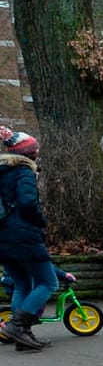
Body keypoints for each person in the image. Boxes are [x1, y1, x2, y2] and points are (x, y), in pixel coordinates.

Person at [0, 129, 54, 351]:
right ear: (30, 153)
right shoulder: (24, 171)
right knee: (48, 282)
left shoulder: (3, 172)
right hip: (23, 236)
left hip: (3, 238)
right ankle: (18, 326)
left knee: (22, 284)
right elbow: (28, 203)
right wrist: (41, 222)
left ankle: (22, 336)